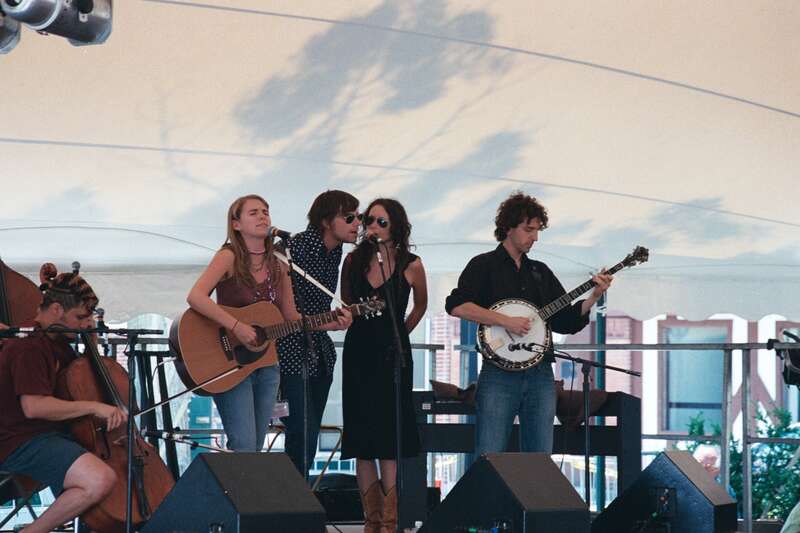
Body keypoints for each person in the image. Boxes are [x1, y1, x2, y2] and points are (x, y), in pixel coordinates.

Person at [446, 191, 612, 456]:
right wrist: (505, 321)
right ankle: (487, 499)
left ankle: (536, 500)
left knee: (539, 458)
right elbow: (456, 305)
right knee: (490, 455)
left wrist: (594, 296)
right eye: (528, 229)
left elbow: (565, 320)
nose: (534, 237)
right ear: (508, 227)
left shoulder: (540, 272)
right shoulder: (483, 265)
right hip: (498, 374)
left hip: (540, 374)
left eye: (537, 231)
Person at [187, 194, 351, 452]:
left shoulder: (279, 261)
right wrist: (237, 326)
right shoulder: (229, 256)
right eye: (253, 212)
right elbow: (196, 297)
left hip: (267, 362)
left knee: (255, 444)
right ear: (236, 224)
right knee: (242, 443)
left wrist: (330, 323)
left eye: (265, 211)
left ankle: (249, 493)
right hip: (231, 360)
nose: (262, 216)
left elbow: (290, 316)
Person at [0, 267, 127, 533]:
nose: (85, 323)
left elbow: (78, 386)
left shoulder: (58, 344)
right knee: (98, 479)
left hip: (48, 436)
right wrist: (94, 407)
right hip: (18, 440)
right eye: (80, 317)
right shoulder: (29, 346)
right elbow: (34, 406)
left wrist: (91, 342)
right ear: (56, 309)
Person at [340, 198, 428, 533]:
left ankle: (388, 524)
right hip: (360, 351)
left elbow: (420, 305)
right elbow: (347, 303)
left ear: (397, 227)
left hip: (394, 355)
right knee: (362, 438)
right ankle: (370, 522)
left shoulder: (412, 264)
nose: (372, 227)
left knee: (389, 439)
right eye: (369, 221)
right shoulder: (353, 260)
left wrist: (401, 333)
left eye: (381, 222)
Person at [276, 190, 361, 477]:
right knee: (302, 431)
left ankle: (298, 503)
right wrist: (330, 324)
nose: (357, 223)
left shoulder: (335, 251)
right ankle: (292, 505)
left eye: (358, 217)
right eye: (349, 217)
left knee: (309, 436)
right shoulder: (294, 247)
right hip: (288, 349)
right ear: (326, 221)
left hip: (318, 351)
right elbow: (288, 314)